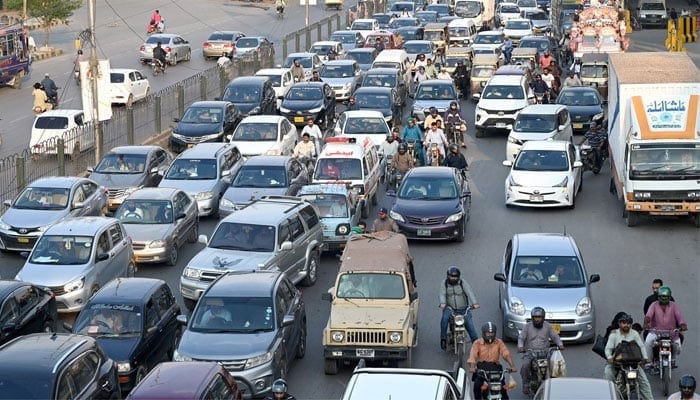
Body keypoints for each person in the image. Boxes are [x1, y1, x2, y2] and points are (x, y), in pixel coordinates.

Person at [604, 314, 654, 400]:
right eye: (623, 323)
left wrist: (645, 357)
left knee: (644, 382)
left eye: (628, 323)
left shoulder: (634, 334)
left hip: (633, 364)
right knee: (608, 373)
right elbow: (608, 348)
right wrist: (609, 357)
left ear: (631, 324)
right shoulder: (614, 334)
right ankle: (610, 395)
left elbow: (641, 346)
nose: (626, 325)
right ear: (619, 324)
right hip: (618, 364)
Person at [518, 307, 564, 395]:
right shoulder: (527, 327)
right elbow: (521, 337)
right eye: (535, 317)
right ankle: (526, 384)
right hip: (531, 352)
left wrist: (560, 344)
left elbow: (555, 336)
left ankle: (555, 383)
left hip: (546, 351)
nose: (537, 319)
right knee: (525, 365)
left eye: (539, 317)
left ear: (543, 318)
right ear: (532, 318)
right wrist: (520, 346)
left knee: (556, 364)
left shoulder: (548, 326)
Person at [467, 322, 517, 400]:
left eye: (492, 333)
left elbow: (506, 353)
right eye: (488, 333)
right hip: (482, 370)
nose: (490, 335)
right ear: (484, 333)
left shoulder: (499, 342)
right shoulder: (477, 343)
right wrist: (472, 367)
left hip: (496, 369)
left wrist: (512, 366)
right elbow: (473, 356)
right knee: (477, 386)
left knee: (503, 391)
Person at [439, 267, 480, 350]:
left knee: (470, 326)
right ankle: (443, 339)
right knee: (444, 320)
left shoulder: (462, 283)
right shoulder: (444, 283)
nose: (453, 279)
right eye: (451, 277)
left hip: (464, 309)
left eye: (455, 277)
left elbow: (469, 292)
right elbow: (442, 294)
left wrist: (475, 303)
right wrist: (442, 303)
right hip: (450, 308)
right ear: (448, 276)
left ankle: (477, 346)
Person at [644, 286, 687, 365]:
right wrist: (646, 322)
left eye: (665, 296)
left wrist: (682, 324)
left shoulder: (674, 305)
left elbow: (679, 316)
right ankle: (649, 362)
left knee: (677, 347)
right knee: (648, 342)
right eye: (661, 296)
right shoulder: (654, 305)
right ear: (658, 297)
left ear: (669, 297)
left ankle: (673, 358)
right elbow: (648, 315)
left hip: (672, 333)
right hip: (656, 332)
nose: (663, 298)